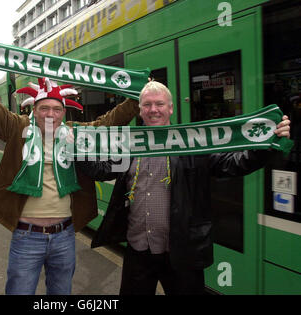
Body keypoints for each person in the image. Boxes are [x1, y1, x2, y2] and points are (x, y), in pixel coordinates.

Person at [0, 35, 139, 295]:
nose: (50, 114)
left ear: (64, 112)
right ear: (34, 110)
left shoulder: (76, 133)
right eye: (44, 109)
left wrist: (136, 99)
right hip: (26, 236)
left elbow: (109, 123)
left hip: (65, 235)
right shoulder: (16, 127)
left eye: (56, 109)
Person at [77, 80, 291, 295]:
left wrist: (267, 145)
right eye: (147, 105)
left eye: (159, 104)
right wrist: (76, 147)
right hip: (138, 250)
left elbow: (233, 164)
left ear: (171, 108)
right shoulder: (128, 145)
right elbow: (102, 170)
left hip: (182, 253)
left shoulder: (192, 142)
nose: (153, 110)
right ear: (139, 110)